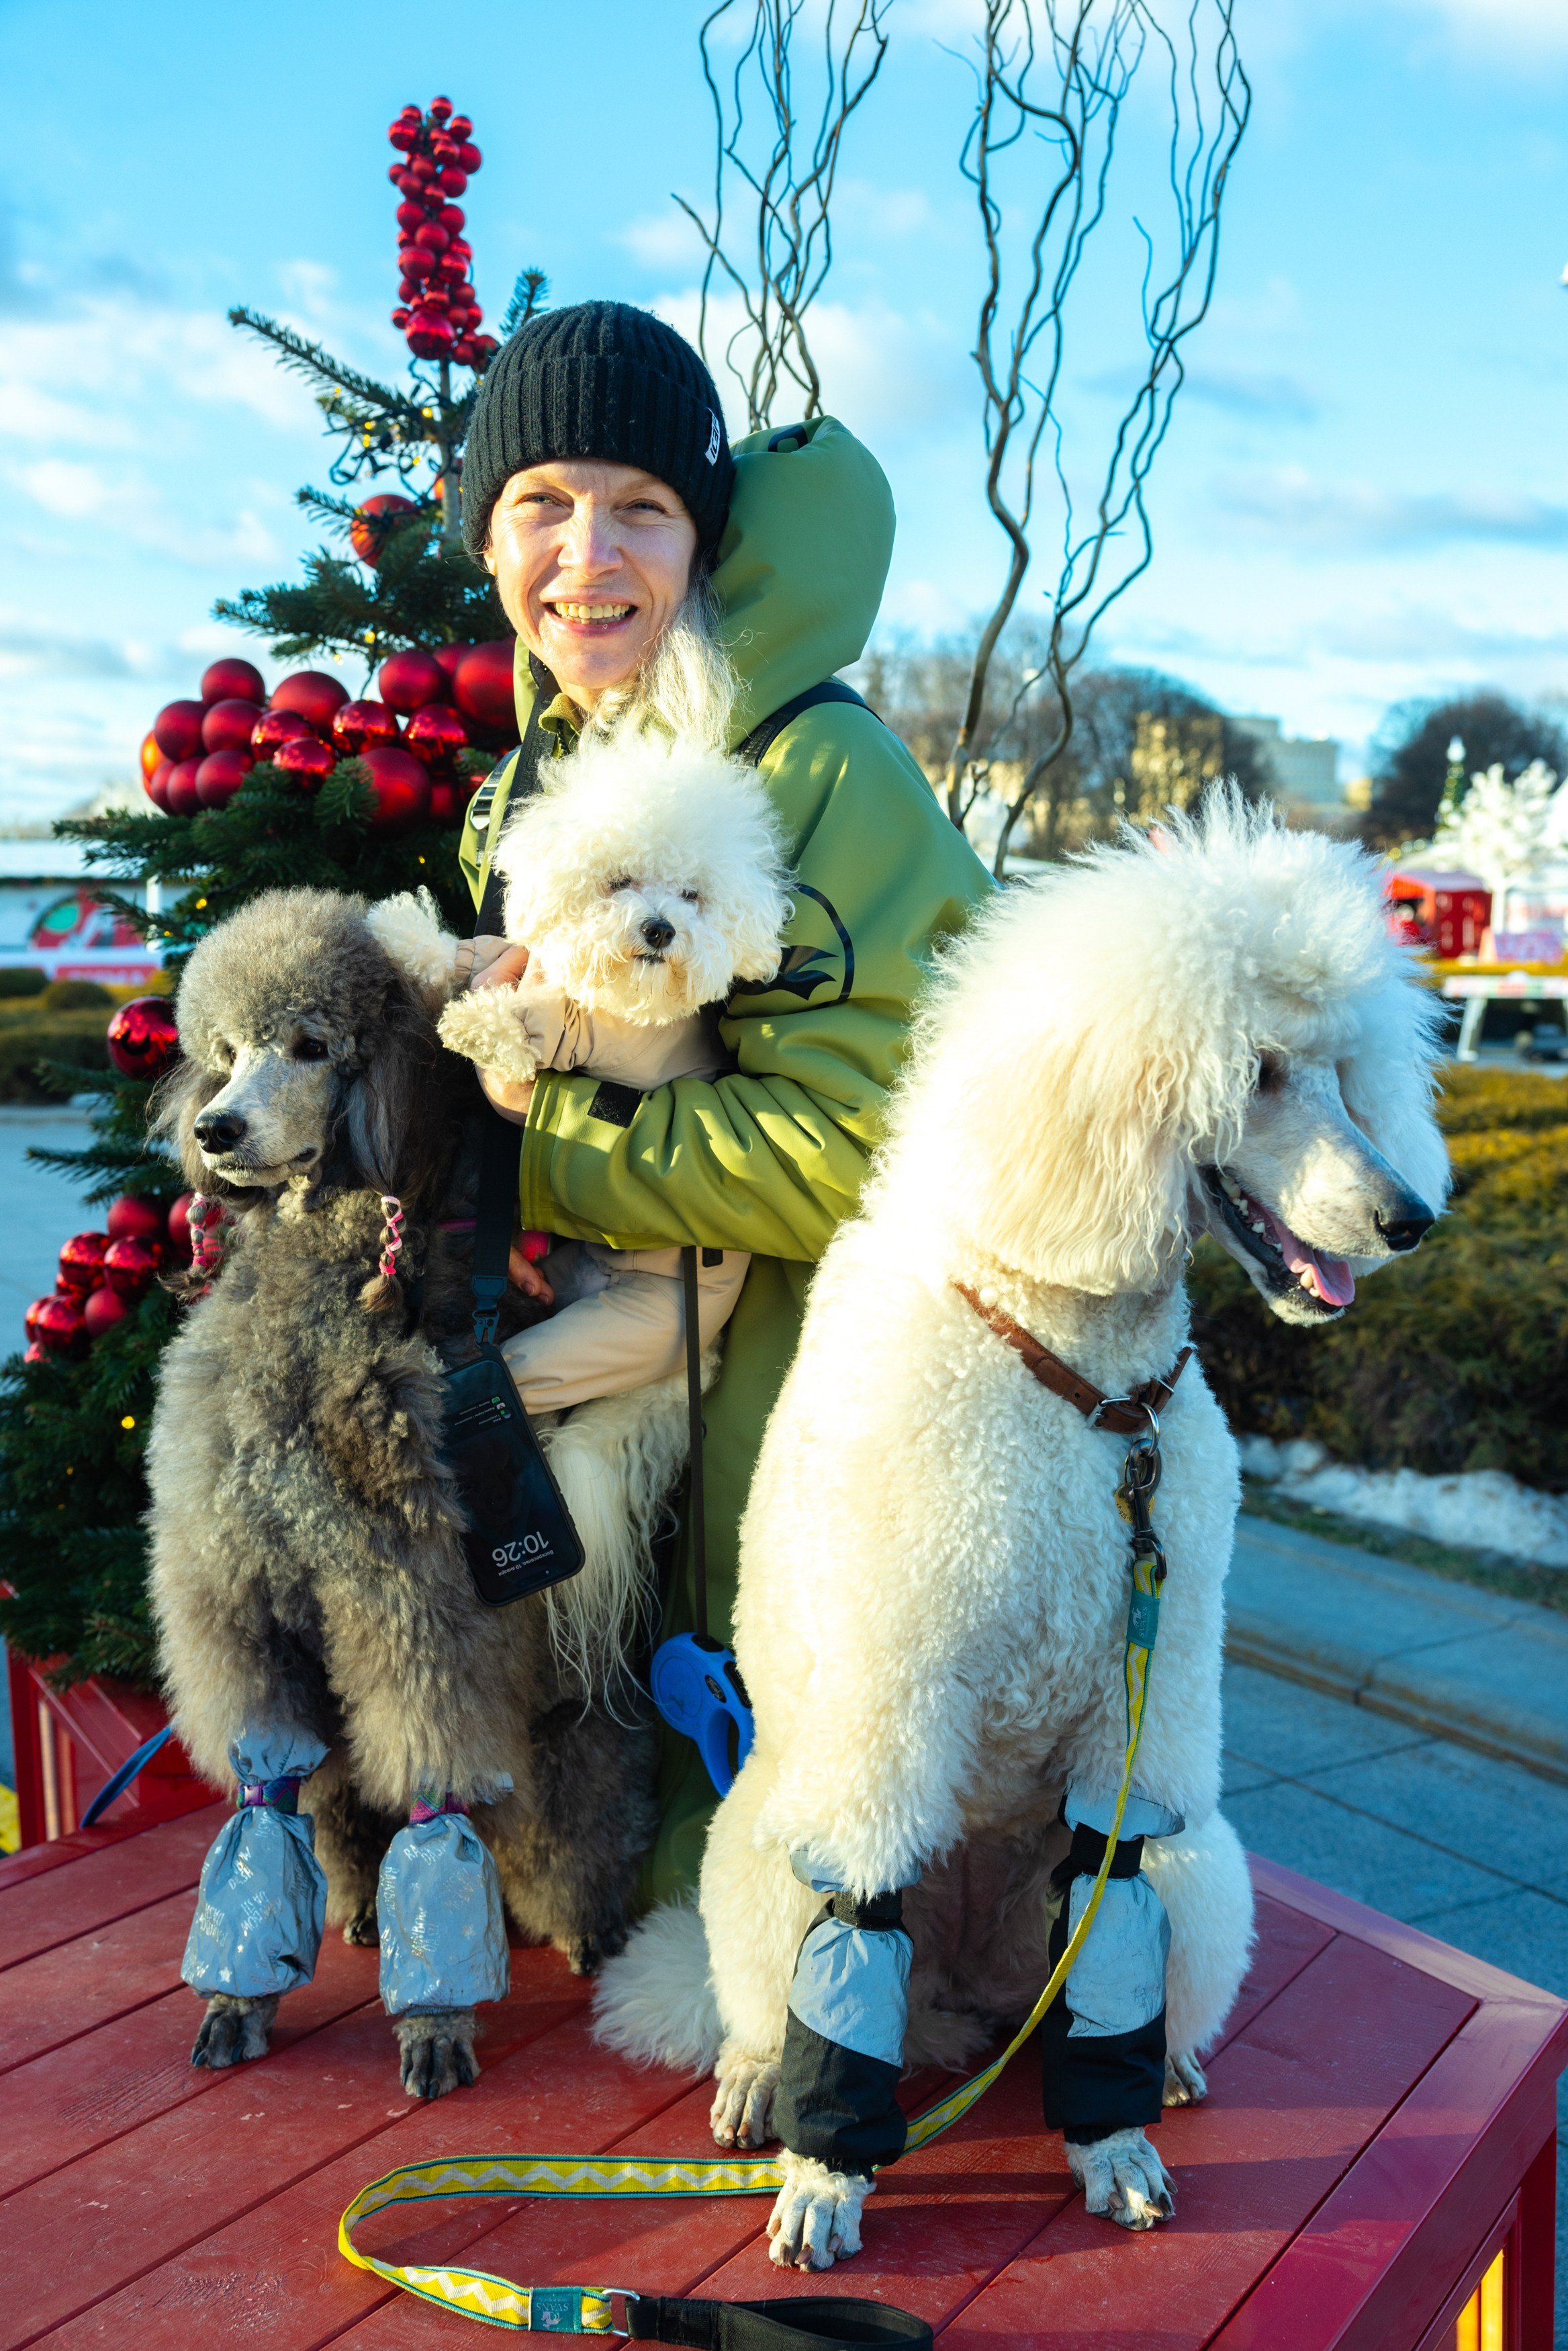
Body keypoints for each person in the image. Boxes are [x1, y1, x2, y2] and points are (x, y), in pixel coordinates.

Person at [455, 298, 991, 1897]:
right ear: (485, 534)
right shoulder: (543, 766)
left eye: (642, 505)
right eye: (540, 504)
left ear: (702, 535)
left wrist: (525, 1152)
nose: (587, 554)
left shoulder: (822, 770)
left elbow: (866, 1152)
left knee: (796, 1910)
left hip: (807, 1435)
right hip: (646, 1449)